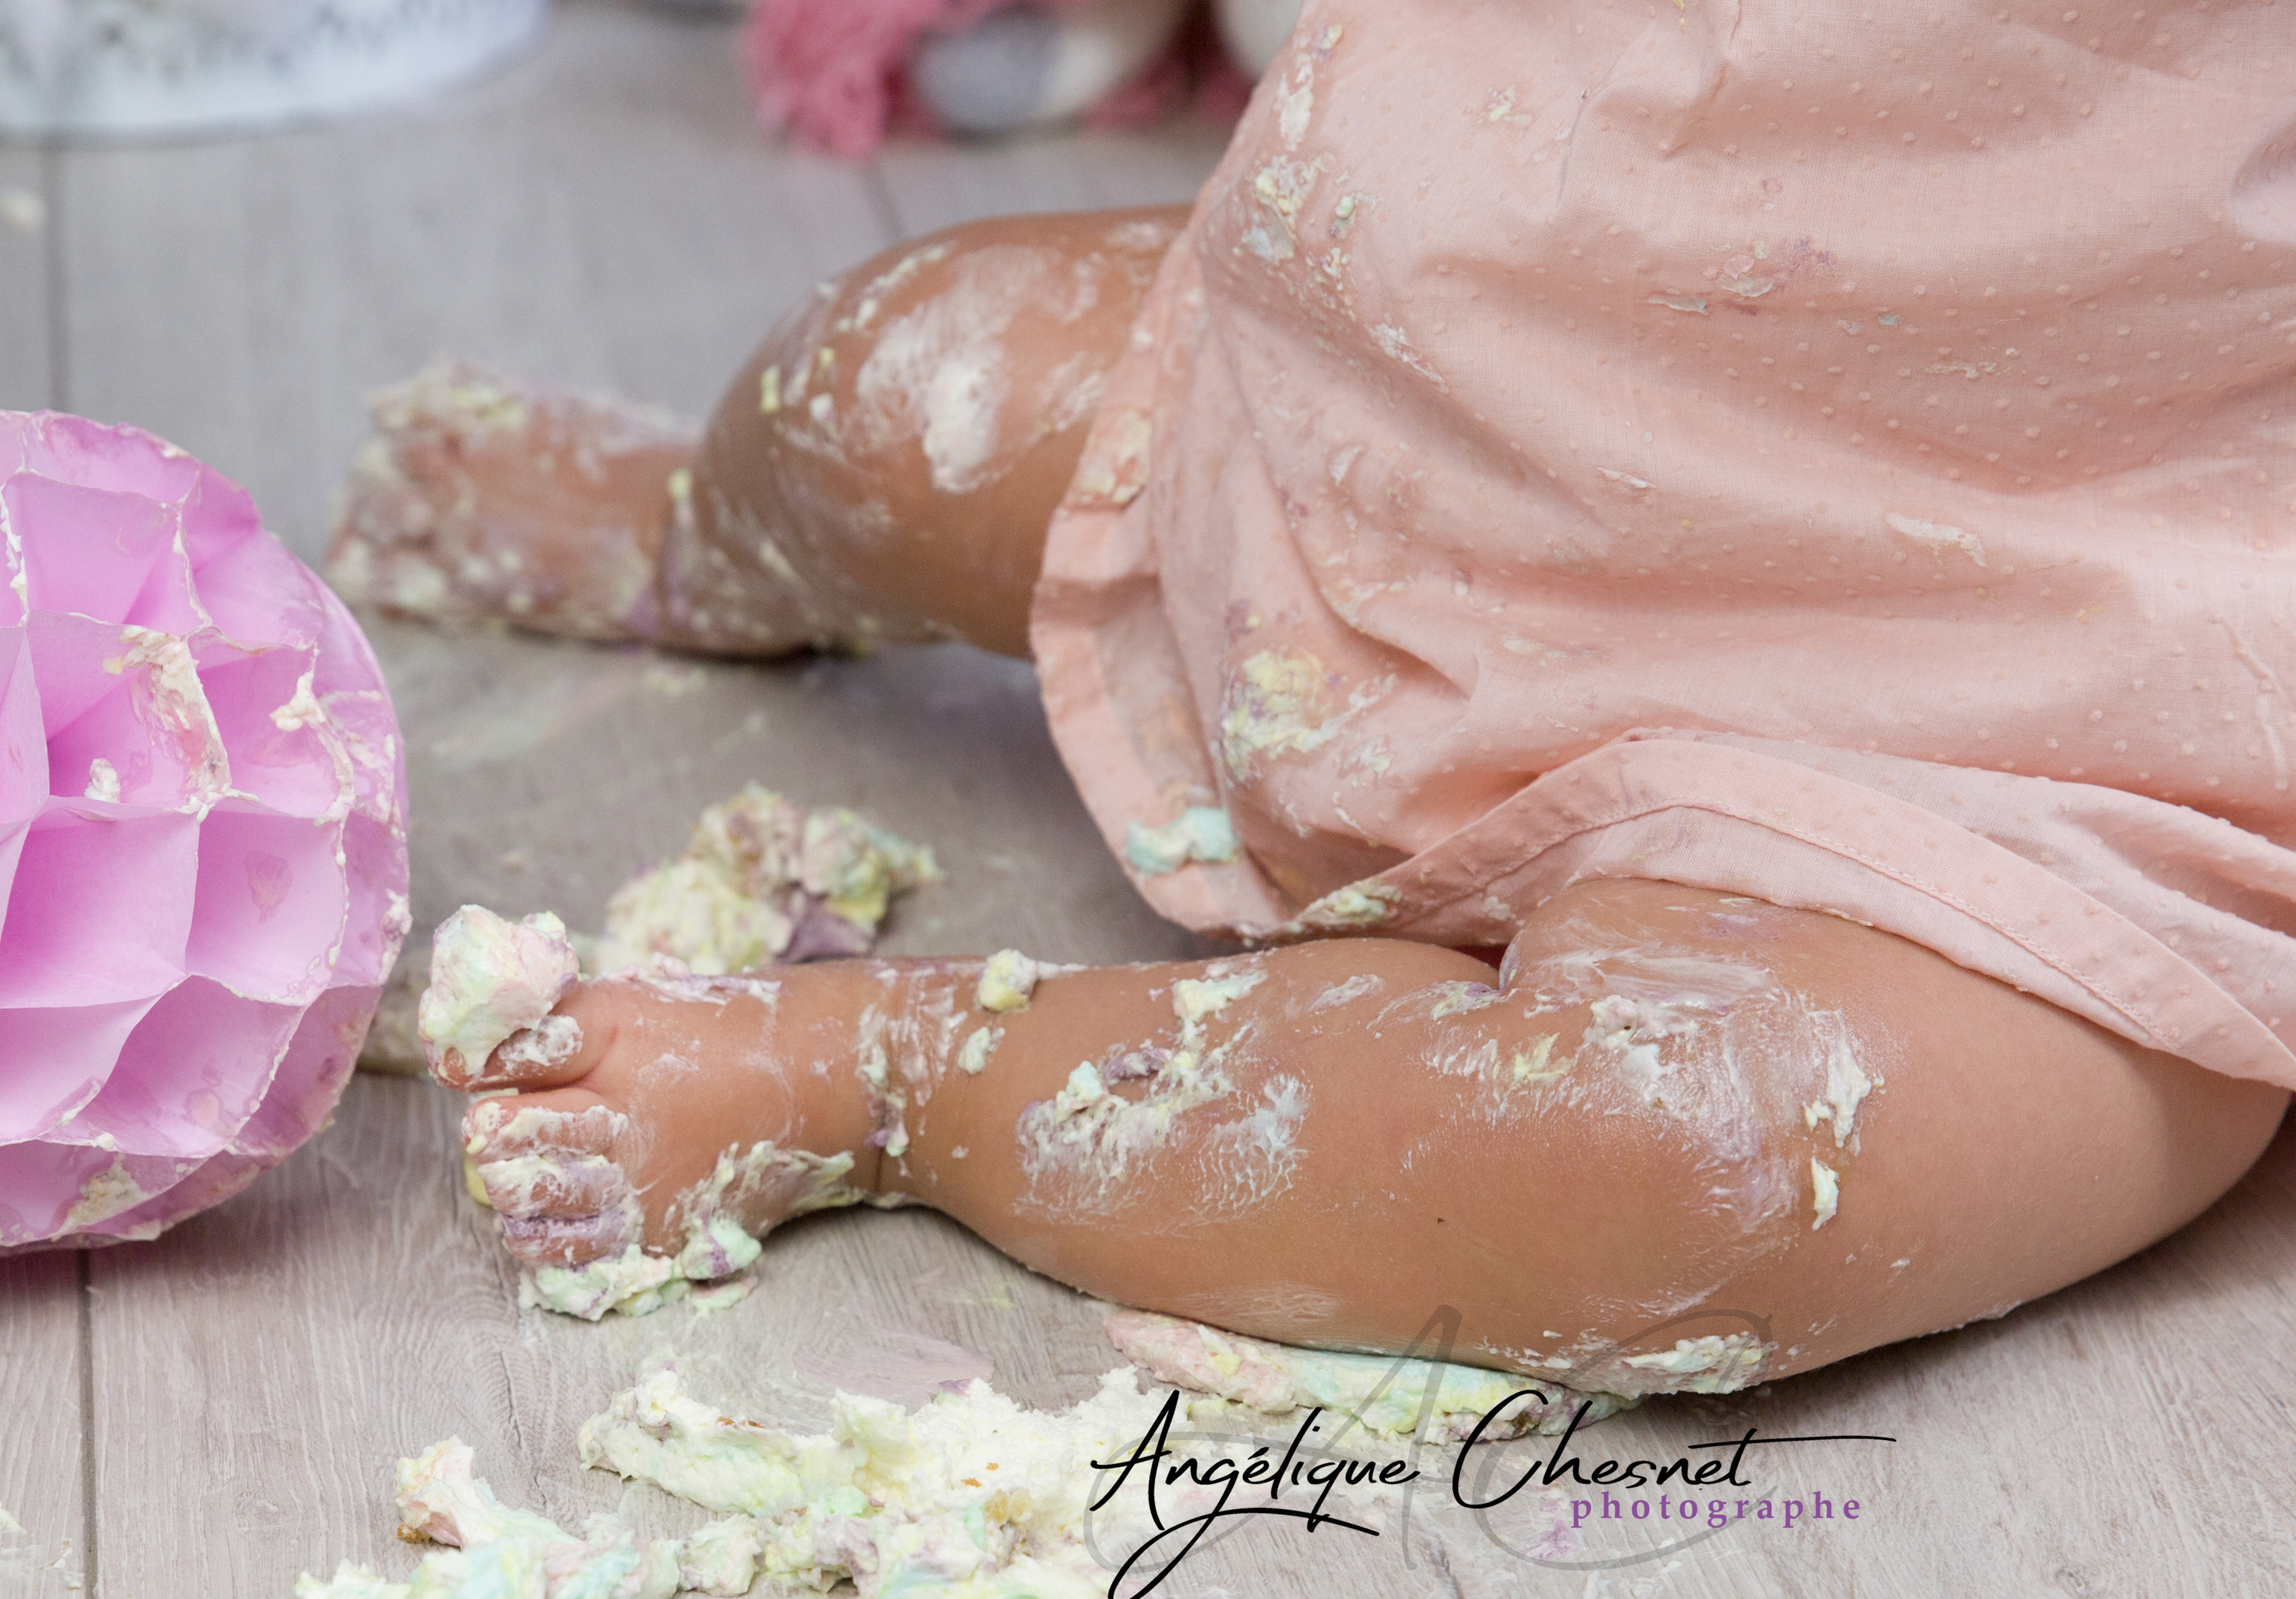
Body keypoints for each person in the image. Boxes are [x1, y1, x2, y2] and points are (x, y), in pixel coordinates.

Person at [322, 0, 2296, 1395]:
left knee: (1697, 1161)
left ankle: (908, 1080)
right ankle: (702, 533)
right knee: (905, 382)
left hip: (2085, 706)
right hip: (1444, 433)